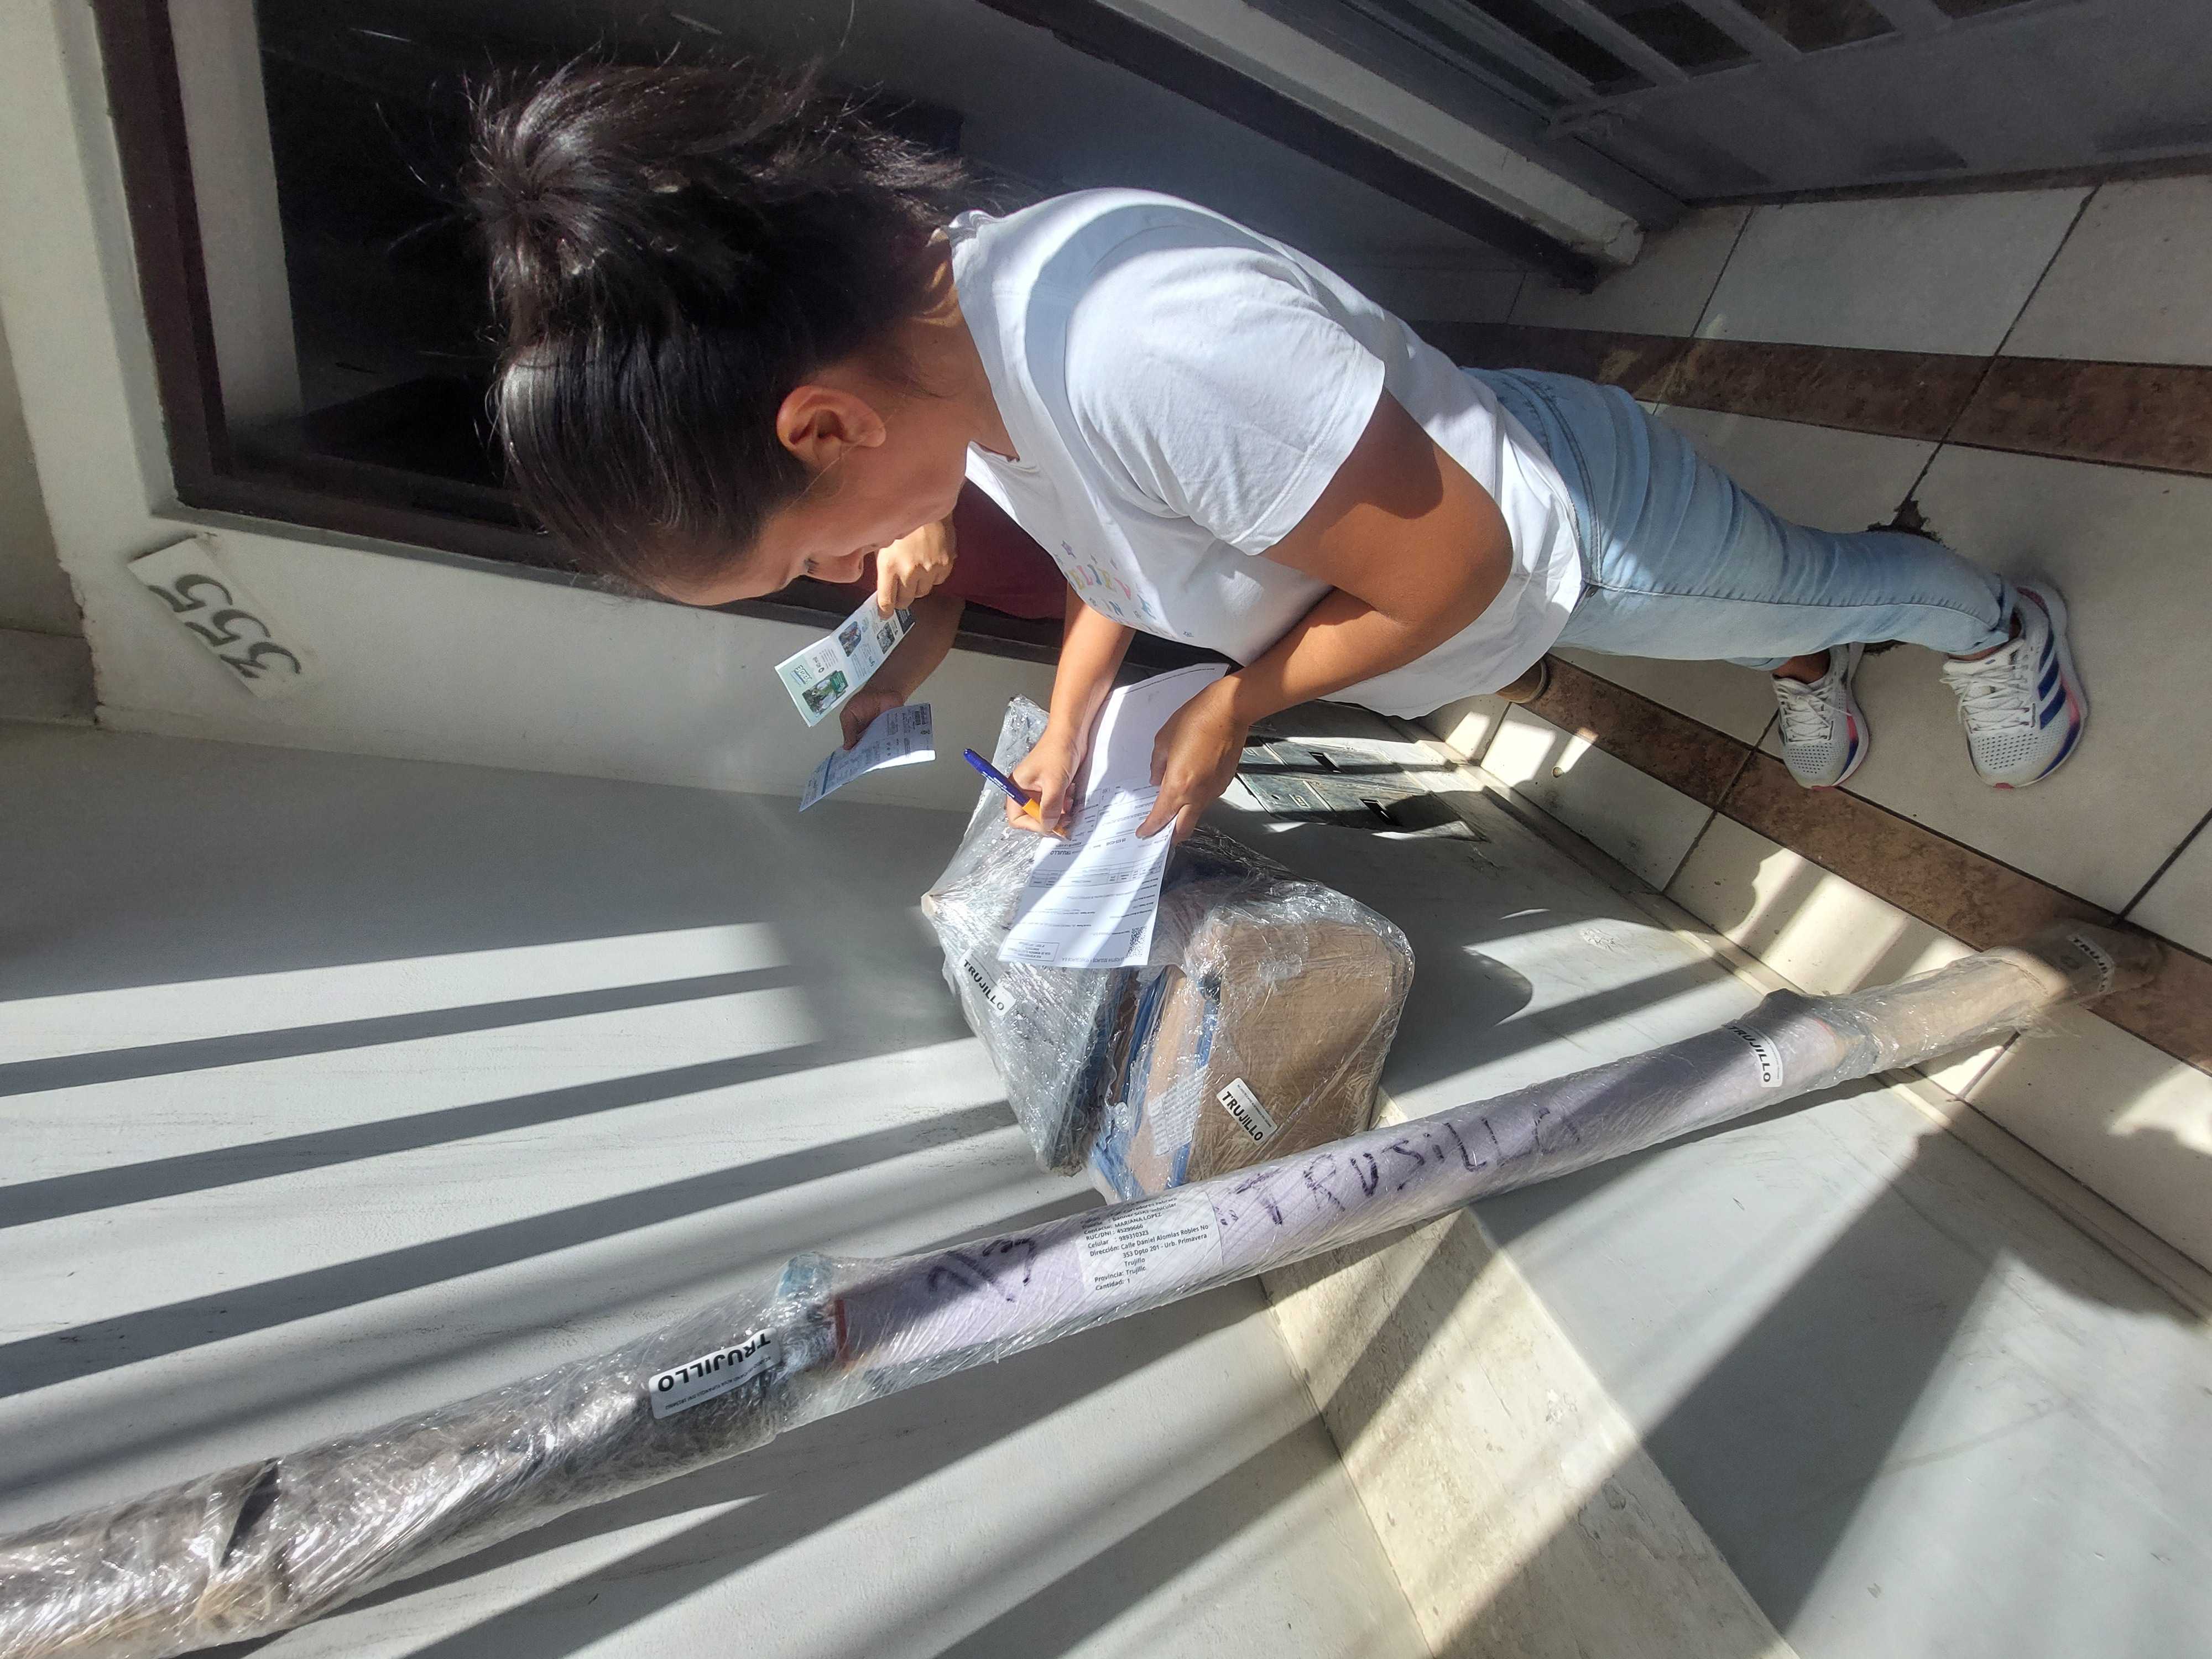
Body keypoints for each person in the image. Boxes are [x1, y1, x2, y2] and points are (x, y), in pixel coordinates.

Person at [467, 63, 2087, 843]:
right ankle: (1797, 647)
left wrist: (1233, 708)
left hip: (1575, 531)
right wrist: (1077, 720)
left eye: (804, 554)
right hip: (1496, 542)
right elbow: (1120, 554)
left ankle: (1992, 625)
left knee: (1798, 577)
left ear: (824, 425)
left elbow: (1457, 565)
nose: (848, 579)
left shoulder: (1130, 348)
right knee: (1750, 605)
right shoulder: (962, 375)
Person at [816, 481, 1071, 749]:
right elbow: (939, 601)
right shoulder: (833, 572)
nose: (847, 571)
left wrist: (926, 510)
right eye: (806, 568)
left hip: (1074, 514)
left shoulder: (842, 483)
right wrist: (886, 688)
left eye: (809, 562)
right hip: (1075, 602)